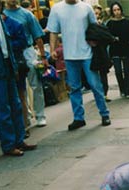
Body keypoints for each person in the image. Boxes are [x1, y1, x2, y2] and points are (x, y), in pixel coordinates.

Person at [47, 0, 111, 131]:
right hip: (69, 56)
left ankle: (104, 114)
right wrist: (52, 49)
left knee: (95, 85)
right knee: (74, 88)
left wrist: (95, 42)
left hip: (87, 54)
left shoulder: (86, 7)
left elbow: (94, 27)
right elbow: (53, 31)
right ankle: (78, 118)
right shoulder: (57, 9)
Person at [0, 0, 36, 156]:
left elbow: (9, 46)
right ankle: (9, 144)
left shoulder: (1, 19)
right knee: (2, 109)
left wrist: (14, 66)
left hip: (8, 66)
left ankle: (19, 140)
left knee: (16, 105)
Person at [4, 0, 48, 128]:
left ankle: (40, 115)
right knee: (19, 88)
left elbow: (37, 36)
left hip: (28, 50)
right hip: (11, 52)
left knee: (35, 84)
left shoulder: (27, 14)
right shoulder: (2, 15)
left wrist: (43, 56)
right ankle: (25, 115)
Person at [107, 1, 129, 99]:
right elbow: (106, 37)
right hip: (115, 50)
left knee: (126, 70)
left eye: (118, 10)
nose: (117, 12)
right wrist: (112, 38)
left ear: (121, 10)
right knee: (118, 71)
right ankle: (122, 89)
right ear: (112, 11)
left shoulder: (127, 22)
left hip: (126, 49)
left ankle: (127, 91)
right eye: (114, 10)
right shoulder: (110, 23)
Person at [93, 5, 110, 102]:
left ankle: (105, 93)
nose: (97, 16)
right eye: (95, 13)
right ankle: (98, 93)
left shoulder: (102, 25)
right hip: (92, 53)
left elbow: (107, 37)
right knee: (94, 76)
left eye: (98, 14)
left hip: (102, 52)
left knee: (103, 74)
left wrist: (100, 27)